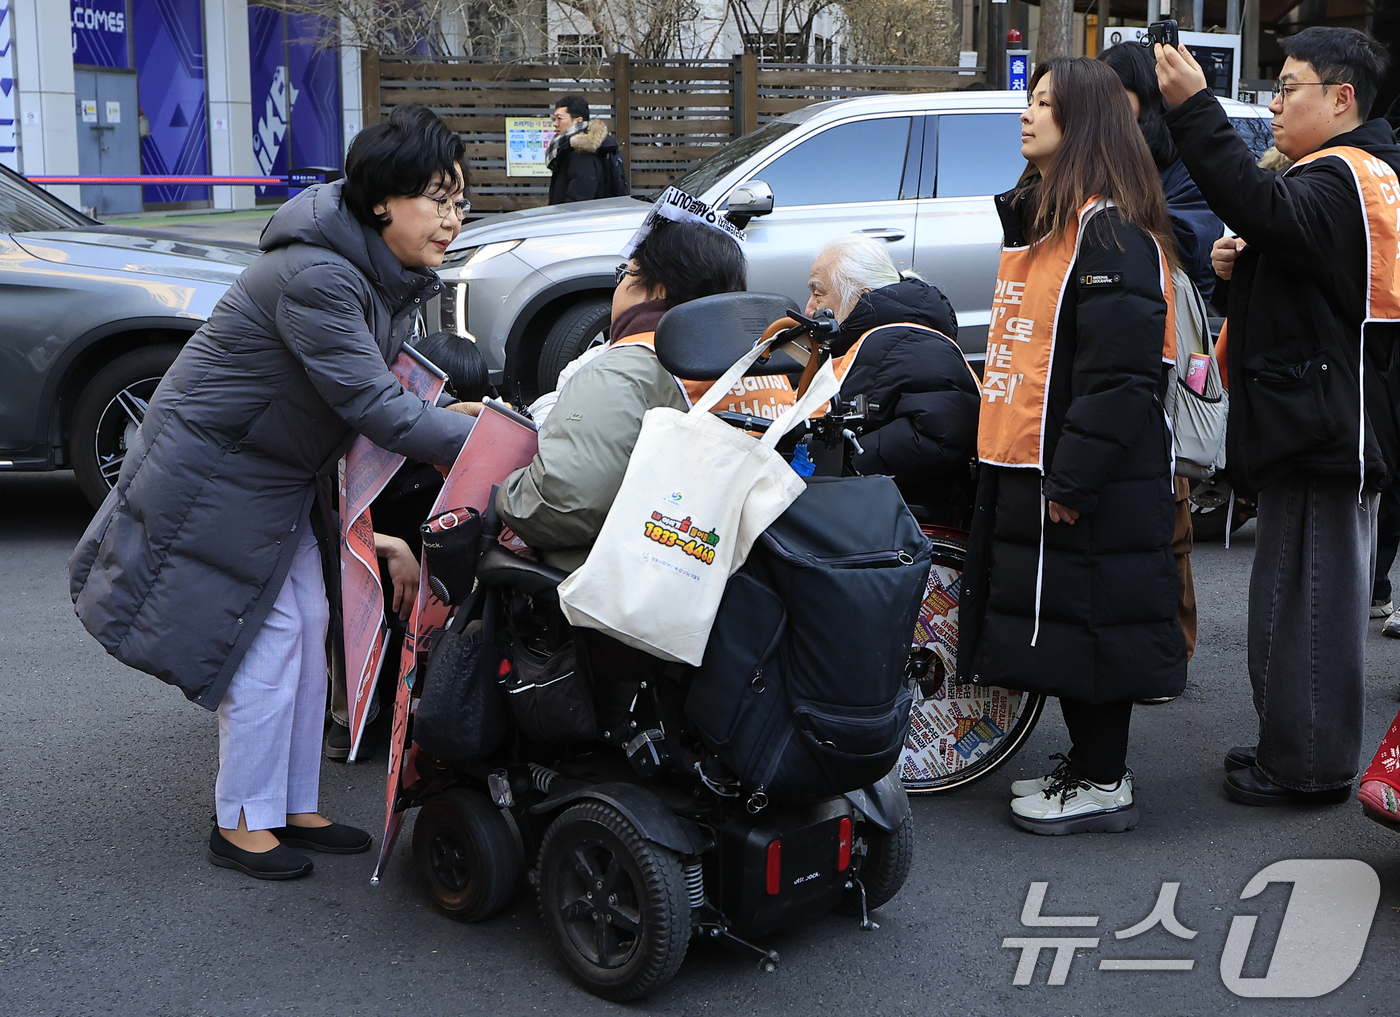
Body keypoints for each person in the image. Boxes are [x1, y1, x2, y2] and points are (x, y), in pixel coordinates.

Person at [68, 104, 480, 879]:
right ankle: (241, 819)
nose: (452, 216)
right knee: (265, 637)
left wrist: (442, 415)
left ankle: (291, 803)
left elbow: (366, 387)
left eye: (461, 199)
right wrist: (493, 443)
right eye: (438, 196)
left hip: (275, 469)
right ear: (384, 198)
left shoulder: (373, 267)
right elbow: (369, 405)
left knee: (313, 618)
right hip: (221, 467)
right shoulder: (320, 273)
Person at [1157, 27, 1396, 806]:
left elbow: (1259, 203)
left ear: (1342, 97)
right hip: (1318, 418)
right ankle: (1286, 745)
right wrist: (1240, 264)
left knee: (1314, 606)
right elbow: (1298, 272)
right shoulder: (1354, 175)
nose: (1275, 102)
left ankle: (1310, 765)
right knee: (1294, 597)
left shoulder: (1341, 175)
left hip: (1325, 426)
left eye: (1288, 86)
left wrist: (1195, 109)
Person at [956, 57, 1186, 836]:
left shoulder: (1111, 233)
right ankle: (1090, 767)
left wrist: (1074, 480)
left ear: (1081, 122)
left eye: (1045, 103)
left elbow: (1121, 380)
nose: (1027, 114)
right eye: (1028, 98)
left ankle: (1101, 778)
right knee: (1072, 618)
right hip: (1048, 463)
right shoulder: (1057, 221)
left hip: (1091, 478)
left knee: (1094, 619)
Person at [498, 218, 747, 571]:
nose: (620, 286)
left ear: (658, 289)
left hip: (639, 583)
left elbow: (558, 508)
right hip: (745, 572)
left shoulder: (622, 371)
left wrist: (504, 489)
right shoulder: (763, 365)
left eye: (626, 273)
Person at [1100, 41, 1225, 687]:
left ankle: (1175, 643)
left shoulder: (1173, 165)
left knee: (1169, 498)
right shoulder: (1117, 159)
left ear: (1141, 100)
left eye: (1112, 91)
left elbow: (1194, 235)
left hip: (1173, 349)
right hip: (1138, 345)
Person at [324, 331, 494, 762]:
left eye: (461, 408)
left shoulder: (478, 439)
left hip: (435, 588)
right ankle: (351, 711)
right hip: (364, 570)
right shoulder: (364, 441)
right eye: (442, 409)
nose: (450, 424)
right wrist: (390, 548)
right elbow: (322, 519)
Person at [802, 234, 979, 525]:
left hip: (901, 524)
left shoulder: (910, 339)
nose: (809, 308)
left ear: (861, 293)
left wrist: (844, 469)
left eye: (818, 293)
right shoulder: (883, 338)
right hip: (878, 512)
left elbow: (941, 431)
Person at [547, 94, 622, 205]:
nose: (555, 124)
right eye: (554, 119)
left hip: (574, 219)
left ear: (578, 120)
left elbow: (580, 197)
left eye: (560, 118)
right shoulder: (567, 147)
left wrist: (566, 218)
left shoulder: (581, 150)